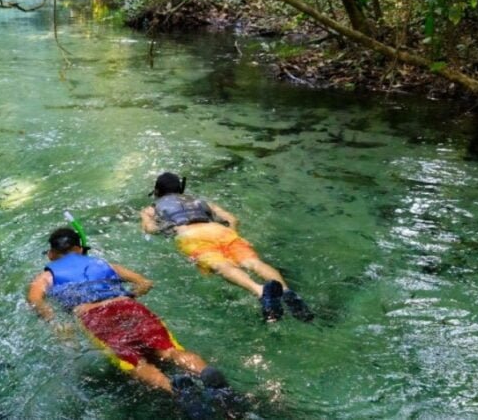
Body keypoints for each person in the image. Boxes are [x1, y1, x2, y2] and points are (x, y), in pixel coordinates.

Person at [28, 227, 246, 417]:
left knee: (135, 363)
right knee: (169, 350)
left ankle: (175, 390)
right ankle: (207, 374)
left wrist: (53, 319)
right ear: (79, 248)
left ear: (51, 253)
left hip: (94, 315)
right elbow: (145, 283)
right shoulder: (103, 263)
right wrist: (130, 296)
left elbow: (35, 299)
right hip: (129, 306)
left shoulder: (48, 274)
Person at [140, 172, 313, 322]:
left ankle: (260, 291)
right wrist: (233, 233)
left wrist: (168, 228)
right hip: (221, 231)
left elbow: (150, 228)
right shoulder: (201, 201)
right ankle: (287, 291)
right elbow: (232, 219)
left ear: (156, 192)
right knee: (253, 262)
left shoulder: (151, 208)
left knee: (221, 265)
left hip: (191, 234)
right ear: (181, 188)